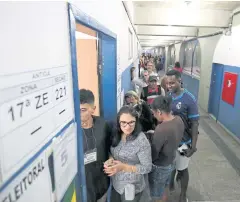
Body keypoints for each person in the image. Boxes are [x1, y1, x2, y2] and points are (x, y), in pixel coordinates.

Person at [104, 106, 152, 202]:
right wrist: (110, 159)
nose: (127, 126)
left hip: (132, 188)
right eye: (123, 123)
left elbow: (147, 167)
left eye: (131, 122)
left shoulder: (141, 140)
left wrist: (123, 167)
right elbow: (110, 151)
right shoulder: (115, 133)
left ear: (136, 121)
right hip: (116, 184)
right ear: (118, 122)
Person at [166, 70, 199, 202]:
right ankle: (171, 183)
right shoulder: (168, 96)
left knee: (182, 169)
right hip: (170, 141)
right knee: (171, 166)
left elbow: (195, 123)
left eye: (172, 83)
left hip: (184, 142)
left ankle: (183, 194)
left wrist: (193, 147)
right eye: (168, 83)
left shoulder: (189, 98)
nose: (169, 86)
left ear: (180, 81)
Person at [149, 96, 184, 202]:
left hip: (160, 166)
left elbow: (154, 154)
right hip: (172, 161)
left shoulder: (161, 128)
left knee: (156, 195)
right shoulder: (179, 120)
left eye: (154, 113)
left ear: (159, 112)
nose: (154, 116)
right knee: (165, 187)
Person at [79, 89, 111, 202]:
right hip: (83, 188)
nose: (79, 114)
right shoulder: (72, 132)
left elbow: (111, 148)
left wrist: (111, 159)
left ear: (93, 109)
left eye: (83, 110)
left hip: (102, 184)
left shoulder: (103, 125)